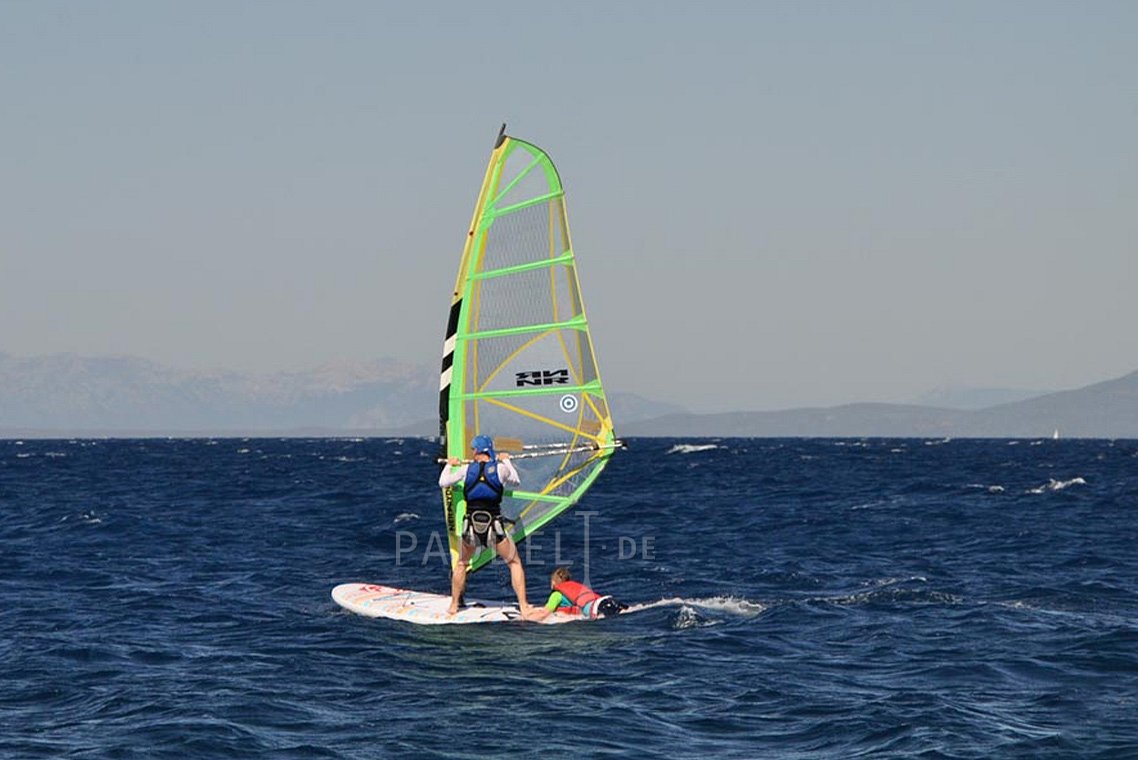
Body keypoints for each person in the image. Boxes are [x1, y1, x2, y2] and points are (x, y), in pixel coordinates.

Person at [438, 434, 532, 617]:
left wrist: (450, 464)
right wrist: (507, 461)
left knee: (461, 563)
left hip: (471, 526)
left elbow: (443, 482)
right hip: (494, 527)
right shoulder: (501, 469)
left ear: (479, 451)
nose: (472, 452)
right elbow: (516, 481)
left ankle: (454, 606)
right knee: (514, 562)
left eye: (473, 449)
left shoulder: (466, 469)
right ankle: (524, 606)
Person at [526, 566, 628, 622]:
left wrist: (527, 619)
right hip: (606, 601)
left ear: (553, 583)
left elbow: (545, 613)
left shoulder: (556, 595)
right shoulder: (574, 589)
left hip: (599, 609)